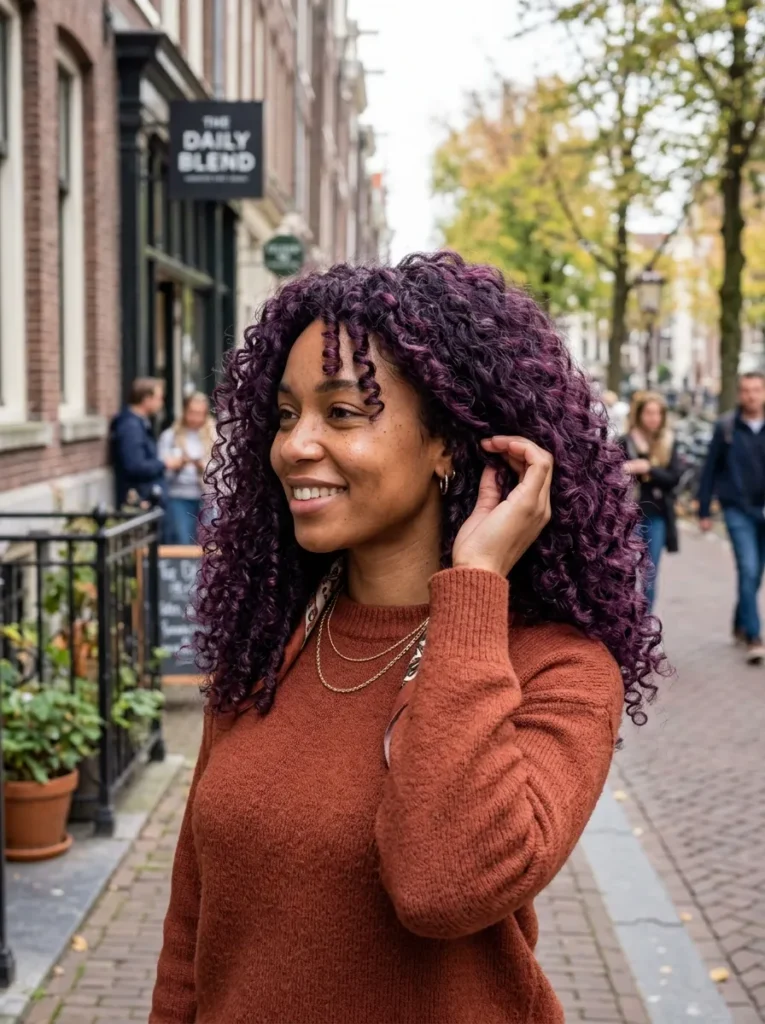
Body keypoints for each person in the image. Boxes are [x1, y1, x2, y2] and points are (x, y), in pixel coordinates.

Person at [150, 253, 664, 1024]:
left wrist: (475, 587)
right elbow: (194, 914)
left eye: (343, 413)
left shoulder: (559, 670)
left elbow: (444, 885)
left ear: (448, 445)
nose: (294, 445)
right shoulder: (270, 642)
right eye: (287, 415)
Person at [698, 372, 765, 664]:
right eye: (746, 390)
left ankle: (740, 622)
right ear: (739, 394)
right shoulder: (726, 427)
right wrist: (703, 509)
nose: (751, 395)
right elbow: (710, 468)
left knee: (756, 573)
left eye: (757, 390)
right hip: (737, 509)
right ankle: (754, 635)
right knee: (748, 569)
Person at [619, 391, 680, 612]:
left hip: (657, 517)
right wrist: (627, 469)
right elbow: (610, 474)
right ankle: (627, 621)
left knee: (650, 572)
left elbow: (674, 478)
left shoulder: (668, 442)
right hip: (629, 516)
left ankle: (645, 623)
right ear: (639, 414)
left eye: (658, 413)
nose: (654, 418)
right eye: (649, 413)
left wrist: (648, 468)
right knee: (628, 571)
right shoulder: (624, 442)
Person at [111, 378, 182, 512]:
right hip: (142, 499)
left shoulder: (140, 423)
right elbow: (135, 465)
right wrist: (165, 464)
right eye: (159, 398)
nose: (161, 403)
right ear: (146, 399)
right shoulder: (131, 426)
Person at [158, 392, 215, 545]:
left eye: (199, 413)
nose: (195, 418)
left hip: (207, 498)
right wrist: (177, 465)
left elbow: (223, 470)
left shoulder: (214, 435)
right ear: (184, 412)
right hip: (179, 496)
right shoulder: (170, 436)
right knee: (182, 541)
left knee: (208, 544)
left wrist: (204, 467)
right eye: (192, 412)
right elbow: (161, 471)